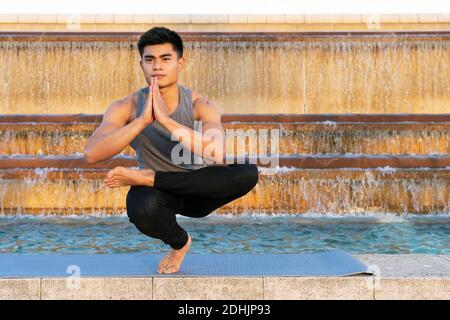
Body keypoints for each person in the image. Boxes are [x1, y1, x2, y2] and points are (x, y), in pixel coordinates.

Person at [84, 26, 259, 274]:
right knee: (139, 206)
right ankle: (180, 244)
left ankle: (148, 177)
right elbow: (92, 153)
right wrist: (141, 122)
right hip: (160, 196)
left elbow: (216, 153)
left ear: (180, 62)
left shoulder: (200, 104)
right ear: (142, 64)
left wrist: (167, 121)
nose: (157, 66)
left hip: (200, 191)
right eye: (150, 59)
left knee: (247, 172)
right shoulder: (127, 106)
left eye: (166, 59)